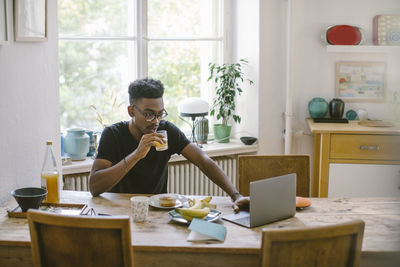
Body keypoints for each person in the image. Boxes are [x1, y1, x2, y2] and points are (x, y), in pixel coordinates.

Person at [89, 78, 249, 212]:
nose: (156, 121)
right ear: (131, 111)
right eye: (149, 114)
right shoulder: (113, 134)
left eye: (160, 114)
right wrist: (136, 155)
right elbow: (94, 187)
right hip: (120, 210)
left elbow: (203, 161)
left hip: (158, 210)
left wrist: (236, 195)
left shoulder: (167, 131)